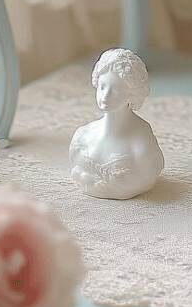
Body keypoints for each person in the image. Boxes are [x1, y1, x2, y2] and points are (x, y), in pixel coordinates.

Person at [69, 48, 164, 199]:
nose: (105, 96)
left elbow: (147, 175)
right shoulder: (82, 137)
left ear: (132, 93)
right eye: (102, 87)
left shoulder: (141, 142)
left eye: (116, 90)